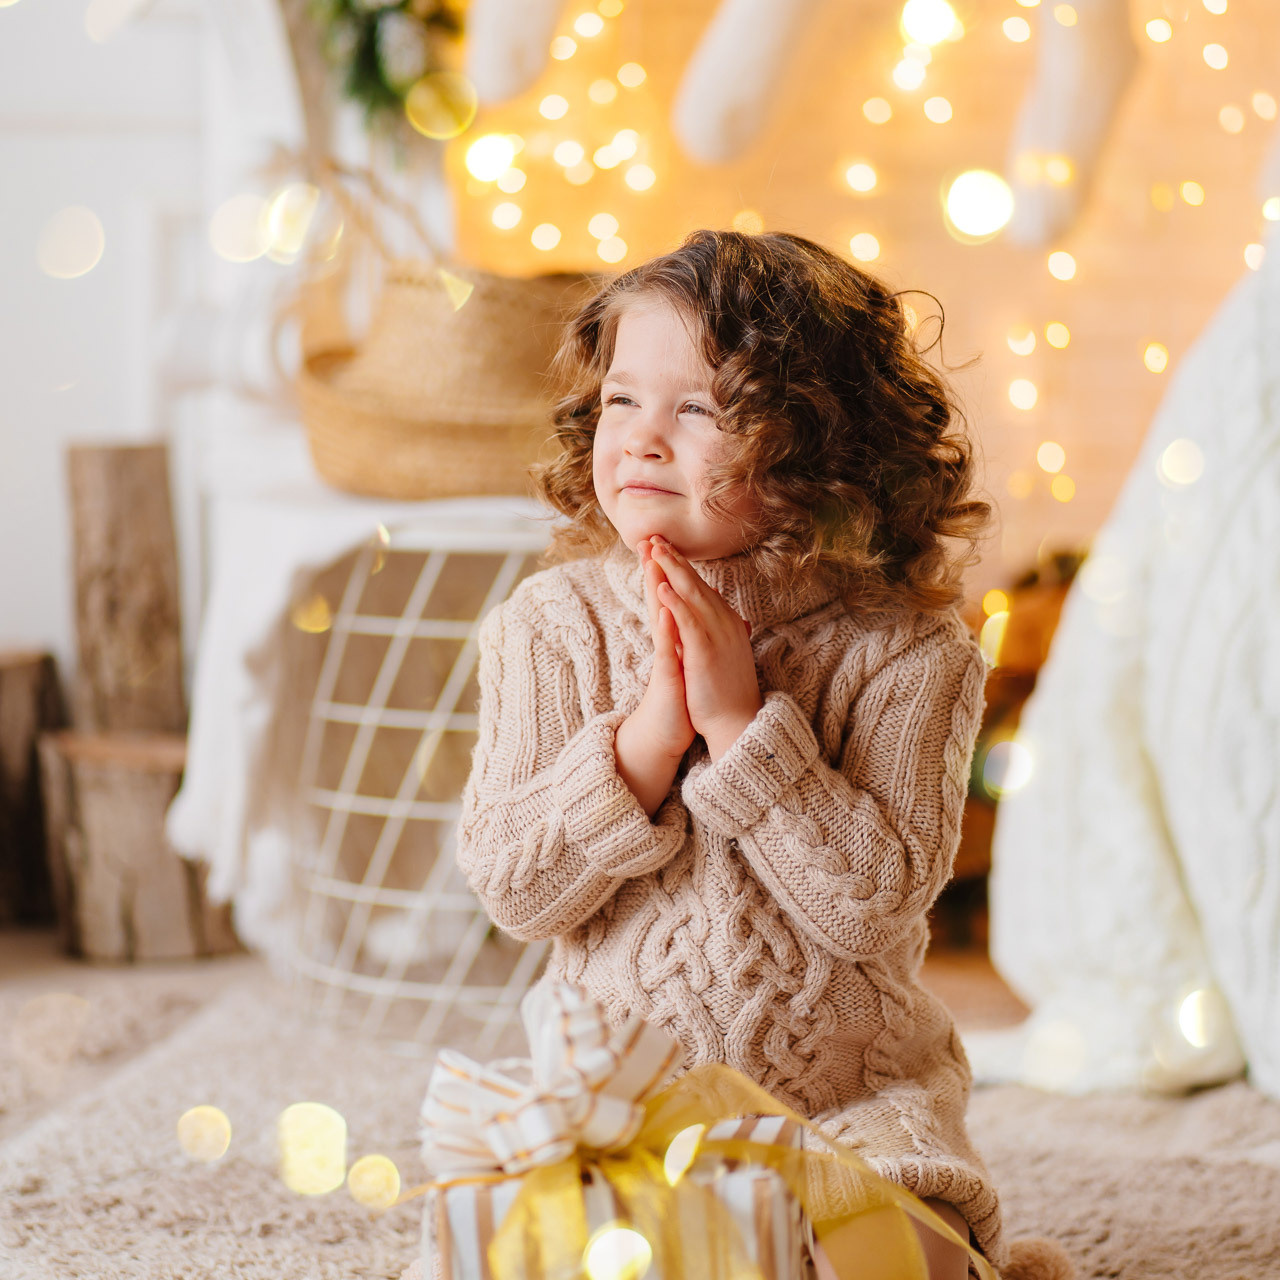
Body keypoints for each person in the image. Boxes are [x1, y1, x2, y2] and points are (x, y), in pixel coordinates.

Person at [457, 230, 1037, 1279]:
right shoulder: (548, 625)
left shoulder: (909, 650)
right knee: (515, 1250)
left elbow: (872, 904)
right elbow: (514, 887)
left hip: (849, 1105)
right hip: (623, 1099)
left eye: (698, 409)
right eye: (622, 399)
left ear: (821, 448)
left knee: (900, 1256)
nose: (641, 439)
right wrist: (650, 738)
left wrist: (739, 722)